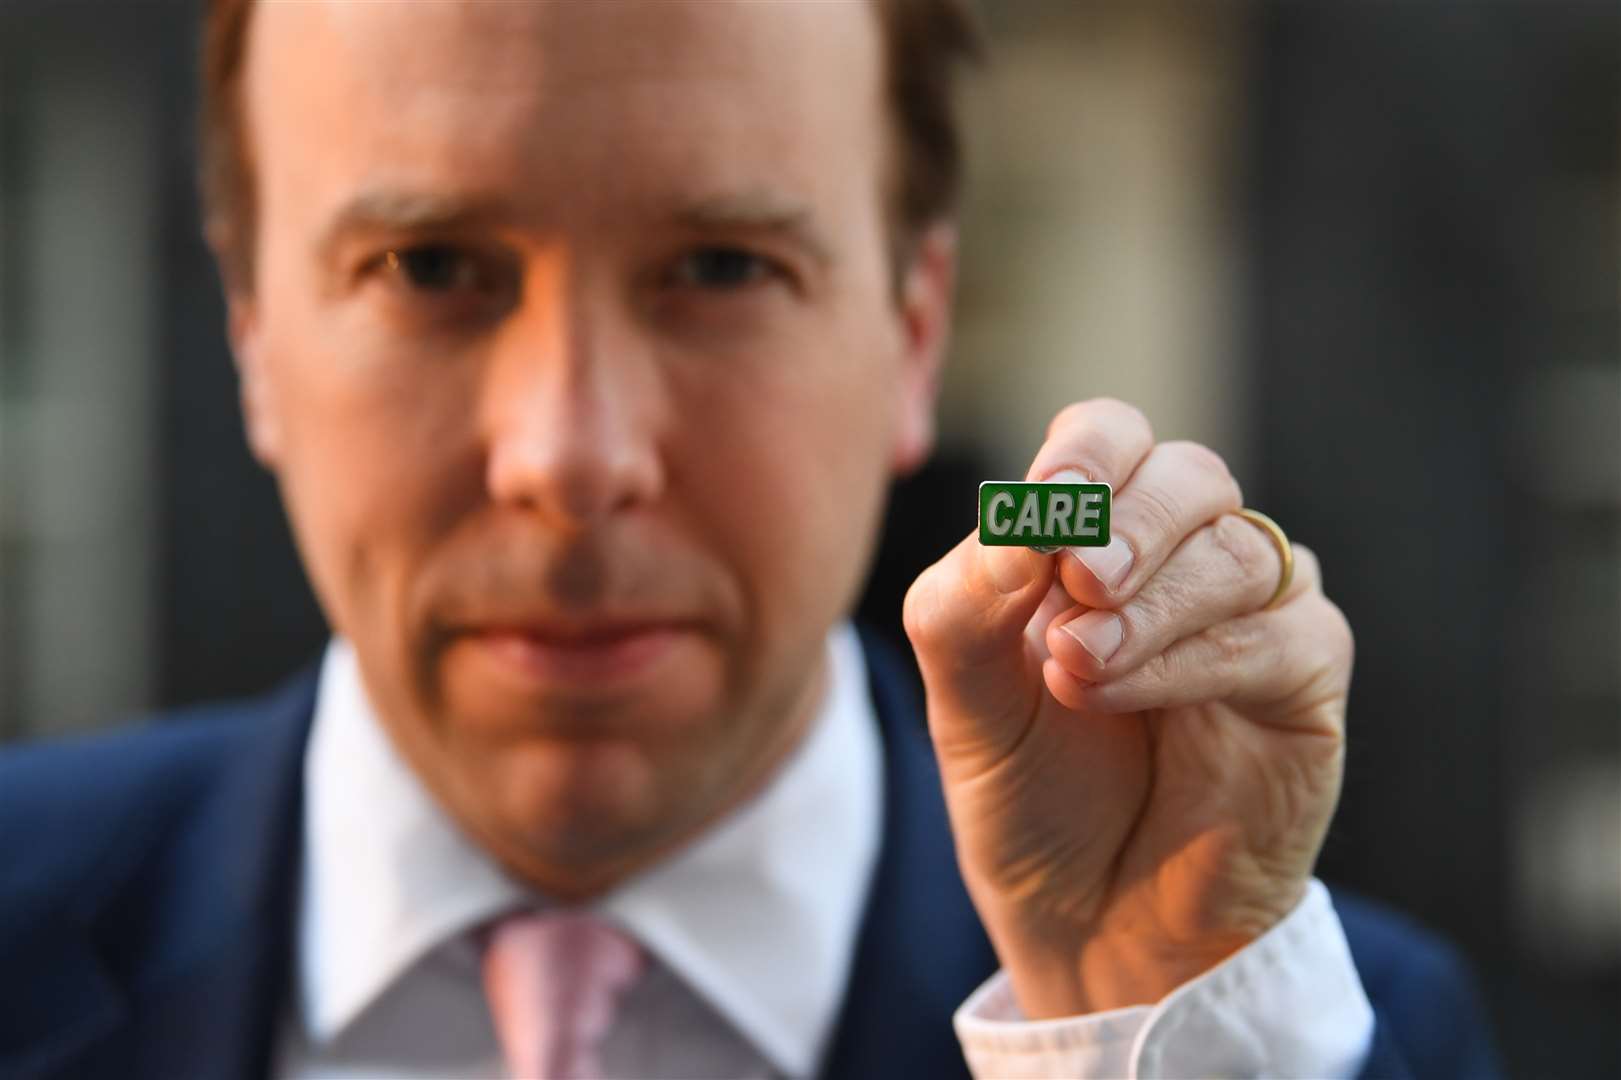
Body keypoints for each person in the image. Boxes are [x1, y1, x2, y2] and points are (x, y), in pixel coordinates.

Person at [0, 2, 1499, 1077]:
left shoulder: (1312, 1032)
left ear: (913, 337)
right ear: (253, 338)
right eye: (430, 265)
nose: (574, 457)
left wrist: (1131, 1031)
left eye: (721, 266)